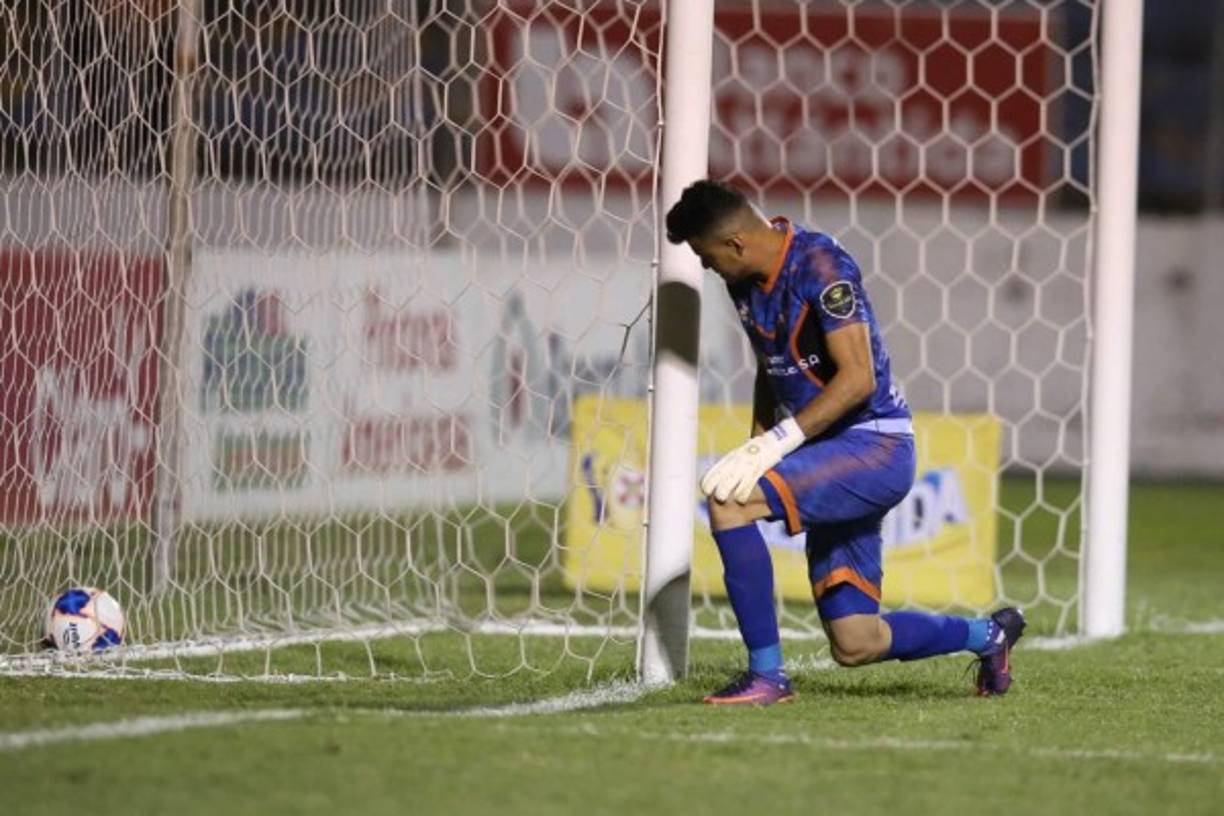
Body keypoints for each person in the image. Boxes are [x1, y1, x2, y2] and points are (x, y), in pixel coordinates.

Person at [664, 180, 1025, 705]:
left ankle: (767, 676)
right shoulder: (745, 282)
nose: (706, 267)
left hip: (874, 447)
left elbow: (858, 380)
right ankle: (989, 635)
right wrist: (755, 445)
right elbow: (773, 366)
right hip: (826, 454)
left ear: (735, 244)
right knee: (856, 642)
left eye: (707, 256)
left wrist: (775, 445)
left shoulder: (821, 266)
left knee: (729, 504)